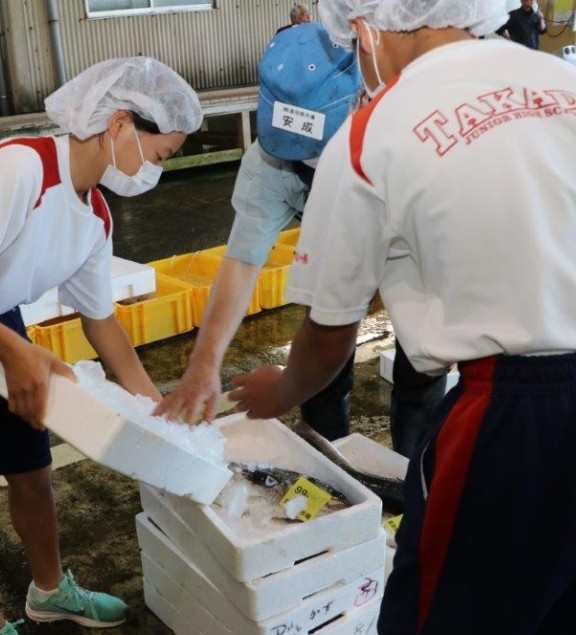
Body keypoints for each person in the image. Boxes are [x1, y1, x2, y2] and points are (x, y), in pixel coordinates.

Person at [228, 0, 576, 635]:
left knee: (442, 627)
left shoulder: (371, 133)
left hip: (519, 417)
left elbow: (330, 337)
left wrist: (280, 392)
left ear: (365, 29)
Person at [0, 57, 202, 635]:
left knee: (33, 473)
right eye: (161, 153)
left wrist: (161, 417)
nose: (157, 168)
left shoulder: (96, 218)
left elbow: (103, 327)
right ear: (121, 123)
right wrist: (19, 354)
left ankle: (49, 592)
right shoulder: (21, 170)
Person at [155, 23, 446, 459]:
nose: (313, 166)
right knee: (322, 373)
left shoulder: (412, 134)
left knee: (422, 370)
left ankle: (419, 481)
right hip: (335, 246)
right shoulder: (269, 164)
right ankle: (331, 471)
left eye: (321, 154)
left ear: (361, 102)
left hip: (414, 248)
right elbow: (241, 263)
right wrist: (203, 363)